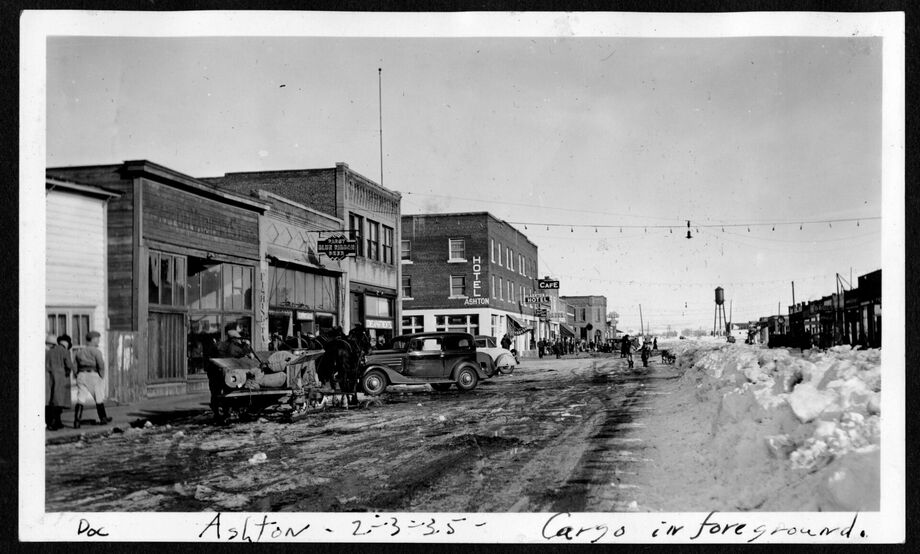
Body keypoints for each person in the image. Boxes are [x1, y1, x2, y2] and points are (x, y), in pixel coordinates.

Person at [72, 331, 111, 428]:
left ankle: (77, 421)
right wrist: (102, 375)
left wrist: (77, 374)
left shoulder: (79, 352)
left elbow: (75, 366)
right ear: (93, 339)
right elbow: (101, 364)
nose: (98, 341)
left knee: (81, 398)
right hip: (93, 374)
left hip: (81, 375)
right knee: (99, 397)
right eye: (97, 339)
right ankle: (103, 418)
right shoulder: (96, 351)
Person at [45, 334, 73, 430]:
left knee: (51, 400)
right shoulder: (65, 351)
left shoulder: (48, 352)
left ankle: (56, 422)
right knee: (59, 401)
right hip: (61, 377)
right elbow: (69, 365)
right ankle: (54, 422)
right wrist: (68, 371)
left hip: (49, 377)